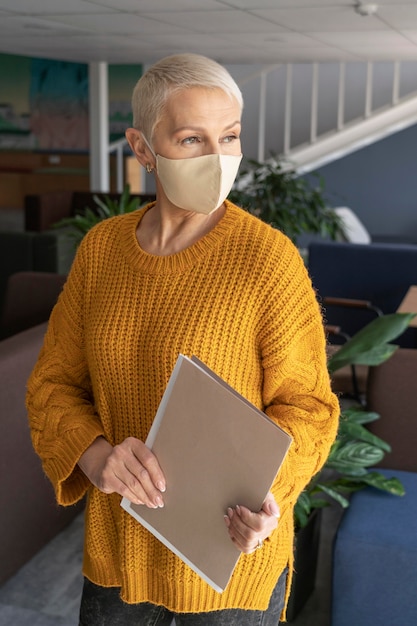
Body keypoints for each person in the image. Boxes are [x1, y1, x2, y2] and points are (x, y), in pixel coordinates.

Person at [26, 53, 339, 625]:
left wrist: (272, 496)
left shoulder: (268, 261)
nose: (218, 159)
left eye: (230, 136)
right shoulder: (101, 251)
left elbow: (310, 409)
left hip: (231, 568)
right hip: (121, 561)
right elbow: (52, 386)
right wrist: (95, 457)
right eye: (192, 138)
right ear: (142, 148)